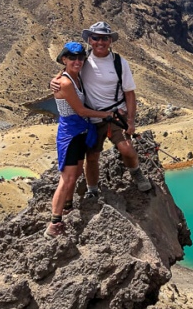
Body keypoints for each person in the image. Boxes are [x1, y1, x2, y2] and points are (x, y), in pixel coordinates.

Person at [51, 21, 152, 199]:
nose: (100, 42)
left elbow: (130, 93)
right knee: (91, 157)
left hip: (116, 115)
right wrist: (53, 81)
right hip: (92, 118)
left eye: (104, 38)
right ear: (90, 39)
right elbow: (67, 71)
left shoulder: (119, 63)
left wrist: (130, 121)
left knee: (126, 148)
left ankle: (136, 172)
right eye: (96, 38)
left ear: (110, 41)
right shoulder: (83, 61)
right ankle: (92, 189)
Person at [46, 41, 114, 238]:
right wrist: (106, 115)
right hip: (71, 133)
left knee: (75, 174)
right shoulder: (66, 82)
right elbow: (81, 110)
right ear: (64, 59)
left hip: (81, 131)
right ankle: (54, 223)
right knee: (67, 178)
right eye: (72, 58)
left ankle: (67, 206)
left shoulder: (76, 77)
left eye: (80, 58)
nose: (77, 61)